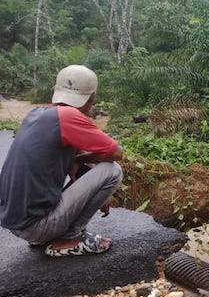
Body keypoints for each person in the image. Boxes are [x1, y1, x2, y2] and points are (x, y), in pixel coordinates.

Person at [0, 65, 123, 257]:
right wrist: (84, 160)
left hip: (19, 224)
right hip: (38, 226)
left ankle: (51, 235)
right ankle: (70, 238)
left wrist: (80, 160)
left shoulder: (37, 114)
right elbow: (115, 152)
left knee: (93, 163)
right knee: (112, 170)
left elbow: (79, 154)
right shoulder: (69, 117)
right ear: (91, 97)